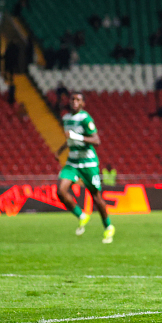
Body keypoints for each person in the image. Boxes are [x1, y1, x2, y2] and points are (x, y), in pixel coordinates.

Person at [55, 92, 115, 244]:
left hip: (88, 162)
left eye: (78, 100)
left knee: (96, 197)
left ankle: (108, 227)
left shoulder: (86, 118)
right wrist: (60, 151)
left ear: (83, 104)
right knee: (61, 191)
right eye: (73, 99)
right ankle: (81, 216)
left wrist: (77, 136)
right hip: (73, 161)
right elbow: (70, 139)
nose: (75, 102)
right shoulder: (66, 118)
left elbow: (96, 140)